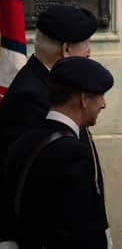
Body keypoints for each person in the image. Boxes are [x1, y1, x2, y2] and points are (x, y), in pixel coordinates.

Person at [0, 5, 100, 247]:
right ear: (66, 49)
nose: (89, 51)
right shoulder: (32, 95)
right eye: (85, 44)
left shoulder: (49, 84)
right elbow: (33, 184)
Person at [4, 56, 113, 249]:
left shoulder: (23, 142)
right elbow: (80, 232)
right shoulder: (75, 153)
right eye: (100, 96)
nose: (103, 104)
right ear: (83, 99)